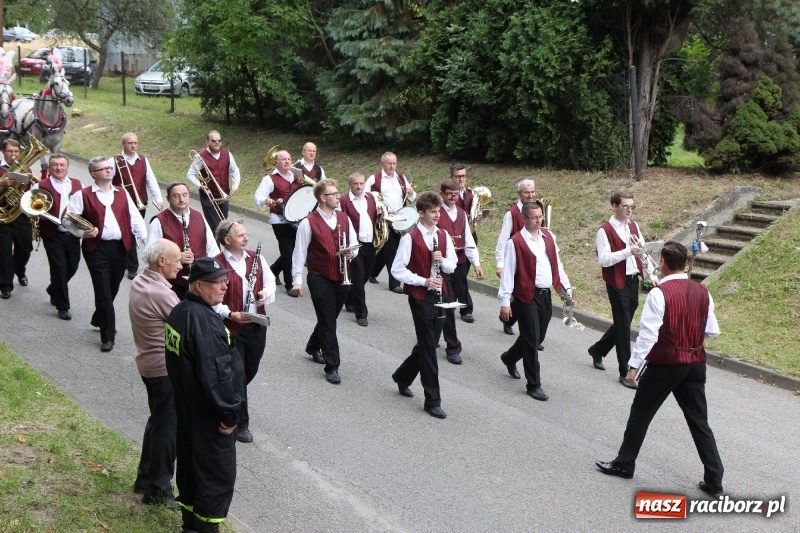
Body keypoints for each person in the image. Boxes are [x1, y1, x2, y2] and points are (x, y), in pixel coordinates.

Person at [596, 241, 724, 497]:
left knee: (641, 413)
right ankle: (714, 478)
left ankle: (625, 463)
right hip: (695, 363)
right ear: (685, 264)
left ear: (663, 263)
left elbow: (648, 336)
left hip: (665, 364)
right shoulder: (702, 291)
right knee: (699, 421)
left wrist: (633, 367)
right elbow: (711, 330)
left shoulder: (658, 294)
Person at [165, 257, 245, 533]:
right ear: (199, 286)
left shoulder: (180, 312)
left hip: (187, 408)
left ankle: (189, 524)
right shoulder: (206, 324)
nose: (225, 286)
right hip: (210, 416)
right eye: (219, 282)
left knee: (189, 468)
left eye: (225, 280)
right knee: (215, 476)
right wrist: (230, 414)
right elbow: (217, 376)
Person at [64, 156, 147, 352]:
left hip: (120, 248)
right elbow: (68, 220)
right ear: (94, 174)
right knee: (102, 289)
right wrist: (83, 233)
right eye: (103, 169)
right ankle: (107, 336)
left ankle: (98, 316)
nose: (109, 171)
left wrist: (146, 242)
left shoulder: (122, 192)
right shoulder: (82, 195)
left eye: (109, 168)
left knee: (113, 285)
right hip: (96, 248)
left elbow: (135, 219)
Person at [390, 192, 456, 419]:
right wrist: (423, 280)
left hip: (441, 294)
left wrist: (442, 261)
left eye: (439, 211)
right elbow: (397, 270)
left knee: (427, 343)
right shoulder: (410, 238)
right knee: (429, 348)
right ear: (421, 213)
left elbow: (452, 267)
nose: (437, 215)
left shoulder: (444, 235)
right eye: (433, 212)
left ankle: (402, 376)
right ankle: (432, 400)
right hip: (421, 296)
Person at [498, 201, 572, 402]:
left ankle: (510, 357)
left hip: (544, 295)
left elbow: (558, 266)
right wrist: (505, 302)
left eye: (541, 216)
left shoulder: (549, 238)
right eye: (534, 217)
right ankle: (534, 384)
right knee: (531, 341)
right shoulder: (515, 242)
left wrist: (567, 290)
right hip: (525, 296)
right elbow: (508, 274)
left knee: (537, 337)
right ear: (524, 219)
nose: (539, 220)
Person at [129, 239, 182, 507]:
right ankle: (158, 490)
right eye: (177, 260)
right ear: (161, 261)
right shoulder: (161, 294)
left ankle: (144, 478)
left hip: (148, 365)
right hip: (163, 369)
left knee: (157, 422)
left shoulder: (141, 281)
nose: (180, 265)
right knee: (167, 430)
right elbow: (185, 326)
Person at [213, 219, 276, 443]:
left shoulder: (257, 258)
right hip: (232, 327)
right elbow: (212, 300)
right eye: (241, 235)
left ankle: (224, 397)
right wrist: (230, 314)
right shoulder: (217, 263)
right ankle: (241, 424)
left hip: (256, 325)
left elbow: (270, 282)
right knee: (238, 375)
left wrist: (265, 294)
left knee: (249, 370)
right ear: (227, 240)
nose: (246, 238)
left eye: (246, 234)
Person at [291, 179, 357, 385]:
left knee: (328, 318)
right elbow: (299, 253)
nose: (339, 196)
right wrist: (297, 281)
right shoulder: (308, 222)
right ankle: (332, 366)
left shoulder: (344, 218)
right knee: (329, 322)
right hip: (319, 277)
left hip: (342, 276)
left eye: (338, 193)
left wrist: (350, 254)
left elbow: (354, 245)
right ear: (322, 198)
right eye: (334, 194)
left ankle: (312, 346)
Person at [588, 190, 657, 388]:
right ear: (614, 206)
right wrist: (627, 251)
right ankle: (625, 371)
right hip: (616, 281)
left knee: (622, 322)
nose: (629, 210)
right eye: (625, 206)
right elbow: (604, 259)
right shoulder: (605, 230)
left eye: (632, 206)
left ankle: (598, 349)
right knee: (624, 326)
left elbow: (643, 253)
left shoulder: (634, 226)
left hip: (632, 279)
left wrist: (651, 274)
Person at [436, 179, 485, 364]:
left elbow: (469, 241)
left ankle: (433, 335)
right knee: (448, 304)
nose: (452, 197)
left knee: (447, 303)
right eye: (449, 194)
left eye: (456, 194)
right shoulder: (436, 213)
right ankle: (453, 347)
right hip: (440, 265)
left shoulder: (463, 214)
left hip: (459, 263)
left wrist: (477, 263)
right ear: (441, 194)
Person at [146, 182, 219, 300]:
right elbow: (149, 255)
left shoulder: (199, 216)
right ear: (168, 198)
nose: (181, 199)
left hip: (198, 282)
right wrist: (177, 257)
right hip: (171, 285)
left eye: (184, 195)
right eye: (176, 196)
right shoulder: (158, 222)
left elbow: (212, 248)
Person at [31, 154, 83, 319]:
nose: (58, 168)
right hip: (52, 234)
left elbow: (85, 206)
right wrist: (39, 214)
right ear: (50, 167)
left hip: (73, 234)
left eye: (62, 165)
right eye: (55, 165)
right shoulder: (40, 185)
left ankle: (54, 288)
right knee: (59, 268)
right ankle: (63, 307)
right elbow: (27, 206)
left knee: (72, 267)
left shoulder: (78, 184)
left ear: (67, 167)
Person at [112, 132, 164, 279]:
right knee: (127, 232)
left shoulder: (143, 160)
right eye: (130, 143)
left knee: (134, 231)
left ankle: (128, 261)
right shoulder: (115, 160)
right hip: (121, 203)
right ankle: (132, 266)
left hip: (140, 202)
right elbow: (107, 180)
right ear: (123, 144)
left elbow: (151, 181)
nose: (133, 145)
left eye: (135, 142)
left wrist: (158, 198)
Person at [254, 149, 303, 296]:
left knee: (294, 251)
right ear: (277, 162)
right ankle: (290, 285)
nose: (287, 161)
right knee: (287, 251)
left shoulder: (296, 177)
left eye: (289, 159)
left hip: (295, 220)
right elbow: (258, 195)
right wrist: (266, 201)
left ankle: (273, 271)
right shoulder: (270, 179)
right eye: (284, 159)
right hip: (279, 219)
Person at [366, 152, 416, 293]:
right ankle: (394, 283)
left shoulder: (400, 178)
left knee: (389, 248)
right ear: (383, 164)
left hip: (400, 218)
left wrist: (410, 192)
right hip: (384, 219)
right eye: (389, 163)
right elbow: (366, 198)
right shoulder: (374, 179)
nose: (392, 166)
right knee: (392, 249)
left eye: (394, 163)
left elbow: (411, 197)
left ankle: (371, 272)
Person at [494, 178, 536, 336]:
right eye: (526, 192)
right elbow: (503, 240)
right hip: (516, 261)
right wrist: (500, 263)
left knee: (526, 296)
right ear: (519, 194)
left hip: (532, 261)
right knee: (521, 295)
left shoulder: (537, 209)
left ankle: (509, 319)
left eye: (532, 191)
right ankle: (512, 320)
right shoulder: (511, 214)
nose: (530, 195)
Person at [338, 171, 376, 327]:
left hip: (370, 243)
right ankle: (361, 313)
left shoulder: (372, 197)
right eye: (356, 183)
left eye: (361, 183)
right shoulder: (343, 200)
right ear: (350, 185)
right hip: (354, 244)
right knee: (359, 280)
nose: (359, 186)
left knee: (365, 276)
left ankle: (349, 299)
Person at [186, 130, 240, 232]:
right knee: (215, 226)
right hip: (208, 196)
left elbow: (235, 170)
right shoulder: (200, 156)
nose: (217, 142)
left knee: (223, 225)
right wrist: (201, 186)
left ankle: (221, 247)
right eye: (213, 140)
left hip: (223, 195)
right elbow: (190, 174)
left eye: (219, 140)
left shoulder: (227, 154)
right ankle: (215, 248)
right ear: (207, 141)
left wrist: (235, 186)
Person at [0, 139, 33, 299]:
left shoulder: (26, 169)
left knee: (25, 249)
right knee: (4, 252)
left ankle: (20, 270)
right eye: (9, 151)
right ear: (3, 152)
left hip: (19, 215)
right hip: (1, 217)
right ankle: (5, 285)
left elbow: (30, 193)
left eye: (16, 151)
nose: (13, 154)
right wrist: (2, 183)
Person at [451, 163, 477, 323]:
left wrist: (483, 214)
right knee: (459, 274)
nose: (461, 179)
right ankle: (466, 308)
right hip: (453, 238)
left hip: (470, 236)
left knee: (462, 274)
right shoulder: (446, 194)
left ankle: (458, 304)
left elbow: (475, 215)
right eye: (458, 176)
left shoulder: (471, 194)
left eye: (463, 176)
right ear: (451, 177)